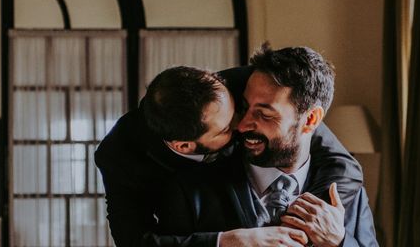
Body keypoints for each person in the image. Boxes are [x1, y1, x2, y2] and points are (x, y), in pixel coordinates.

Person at [95, 61, 364, 247]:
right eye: (226, 127)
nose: (243, 124)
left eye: (241, 108)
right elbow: (135, 242)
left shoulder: (243, 86)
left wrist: (311, 227)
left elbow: (343, 164)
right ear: (184, 146)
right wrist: (226, 242)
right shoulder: (119, 157)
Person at [154, 45, 379, 247]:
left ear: (310, 120)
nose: (242, 125)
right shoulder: (191, 188)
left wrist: (339, 242)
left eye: (264, 114)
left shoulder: (345, 191)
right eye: (244, 107)